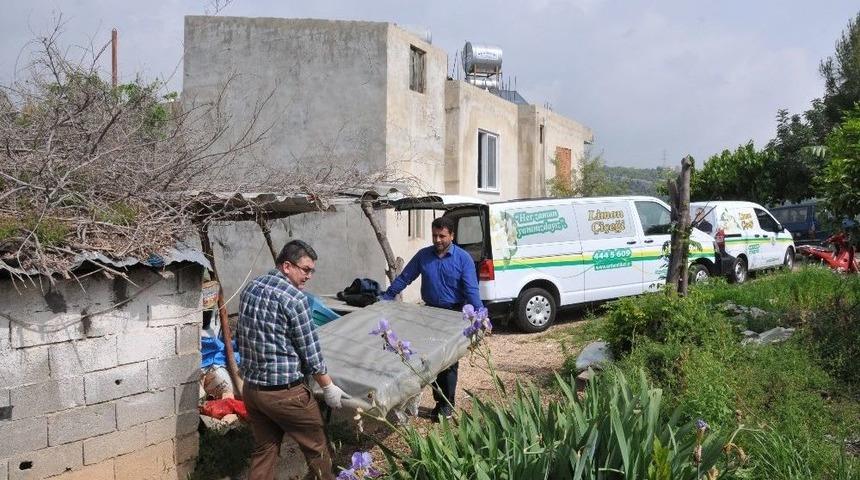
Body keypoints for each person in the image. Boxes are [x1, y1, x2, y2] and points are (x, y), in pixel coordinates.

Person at [236, 240, 349, 480]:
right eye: (305, 269)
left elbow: (242, 336)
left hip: (253, 391)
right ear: (287, 266)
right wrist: (328, 386)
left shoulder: (251, 288)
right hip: (285, 394)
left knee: (265, 451)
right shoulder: (295, 299)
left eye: (312, 271)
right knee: (317, 448)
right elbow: (310, 351)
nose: (309, 276)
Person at [380, 216, 484, 421]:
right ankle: (438, 401)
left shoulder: (463, 259)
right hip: (429, 315)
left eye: (442, 236)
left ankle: (447, 405)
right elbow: (405, 277)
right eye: (435, 235)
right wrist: (387, 296)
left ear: (452, 235)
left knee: (448, 362)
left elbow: (472, 290)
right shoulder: (424, 256)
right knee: (430, 360)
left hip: (453, 315)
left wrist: (480, 317)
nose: (437, 240)